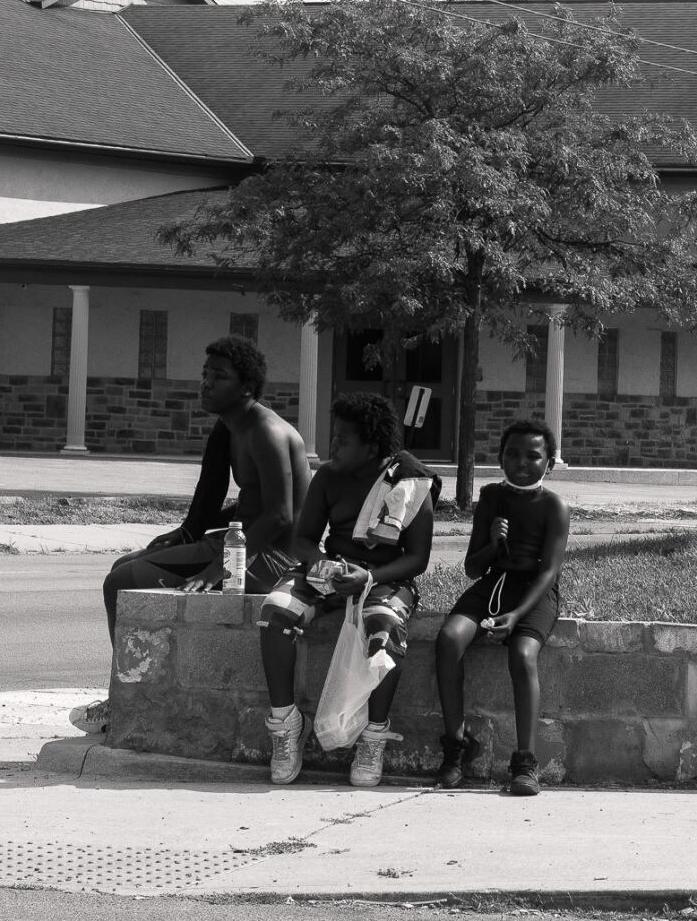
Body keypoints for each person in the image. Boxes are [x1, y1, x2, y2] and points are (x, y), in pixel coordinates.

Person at [72, 335, 310, 735]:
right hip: (243, 543)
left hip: (274, 558)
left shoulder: (265, 431)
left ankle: (125, 702)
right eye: (204, 374)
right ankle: (127, 692)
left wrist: (220, 568)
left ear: (247, 387)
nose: (205, 383)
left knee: (120, 581)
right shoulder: (228, 429)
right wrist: (185, 533)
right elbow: (210, 499)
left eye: (219, 377)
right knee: (124, 567)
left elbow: (282, 516)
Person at [257, 393, 435, 787]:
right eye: (333, 436)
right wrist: (322, 564)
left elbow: (418, 557)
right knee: (276, 613)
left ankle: (373, 737)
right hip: (330, 569)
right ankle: (286, 725)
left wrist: (368, 579)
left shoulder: (410, 483)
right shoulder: (329, 477)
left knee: (384, 629)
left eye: (342, 440)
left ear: (372, 447)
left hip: (384, 576)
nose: (331, 446)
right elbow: (302, 539)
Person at [434, 419, 570, 796]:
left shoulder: (554, 506)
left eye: (533, 456)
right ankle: (456, 745)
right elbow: (472, 568)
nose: (521, 462)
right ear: (499, 458)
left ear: (550, 464)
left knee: (523, 655)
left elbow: (549, 573)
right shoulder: (492, 497)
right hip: (494, 585)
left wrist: (514, 616)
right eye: (512, 454)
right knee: (448, 640)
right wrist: (494, 544)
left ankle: (525, 763)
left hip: (535, 594)